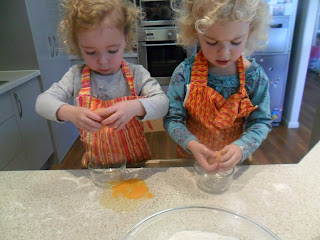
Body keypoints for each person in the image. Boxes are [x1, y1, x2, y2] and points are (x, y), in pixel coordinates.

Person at [36, 0, 169, 167]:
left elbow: (163, 103)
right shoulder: (75, 76)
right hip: (98, 167)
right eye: (91, 52)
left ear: (125, 40)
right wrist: (70, 112)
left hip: (136, 164)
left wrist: (135, 106)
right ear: (79, 46)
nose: (103, 61)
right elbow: (42, 102)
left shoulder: (137, 74)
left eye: (112, 50)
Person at [163, 0, 272, 173]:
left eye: (236, 42)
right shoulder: (185, 73)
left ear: (250, 31)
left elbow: (260, 121)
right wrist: (191, 144)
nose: (224, 53)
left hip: (232, 165)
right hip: (191, 160)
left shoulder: (255, 78)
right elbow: (172, 119)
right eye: (211, 42)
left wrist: (241, 148)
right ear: (195, 32)